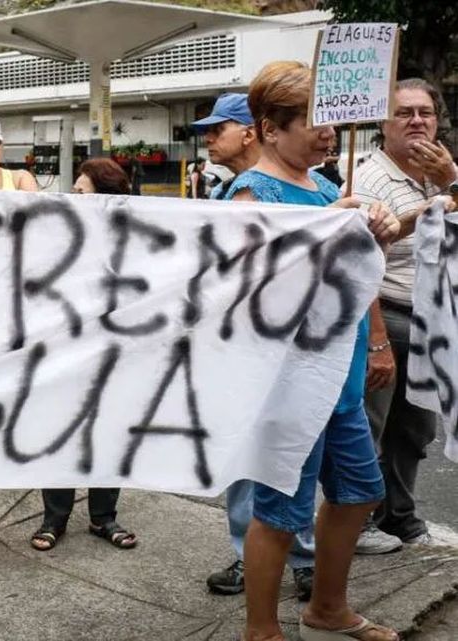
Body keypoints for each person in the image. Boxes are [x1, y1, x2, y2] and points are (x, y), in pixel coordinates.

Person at [228, 61, 400, 641]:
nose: (329, 131)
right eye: (314, 119)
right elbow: (251, 284)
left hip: (343, 376)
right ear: (270, 129)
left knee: (359, 493)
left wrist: (385, 227)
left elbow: (360, 275)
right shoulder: (250, 191)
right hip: (290, 381)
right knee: (280, 512)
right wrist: (329, 224)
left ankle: (327, 608)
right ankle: (262, 628)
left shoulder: (330, 187)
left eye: (333, 119)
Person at [191, 92, 316, 598]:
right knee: (245, 454)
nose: (208, 140)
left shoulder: (310, 186)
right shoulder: (225, 193)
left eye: (217, 129)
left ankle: (302, 555)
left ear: (252, 131)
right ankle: (253, 554)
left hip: (293, 349)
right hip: (244, 353)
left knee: (295, 454)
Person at [354, 78, 458, 554]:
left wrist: (450, 181)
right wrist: (375, 339)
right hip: (388, 312)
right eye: (404, 113)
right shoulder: (367, 177)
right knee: (371, 427)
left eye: (425, 113)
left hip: (433, 321)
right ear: (383, 122)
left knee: (417, 430)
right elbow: (360, 262)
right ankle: (358, 521)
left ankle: (399, 513)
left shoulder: (444, 170)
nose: (417, 121)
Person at [28, 158, 140, 552]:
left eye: (81, 191)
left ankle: (103, 517)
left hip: (112, 355)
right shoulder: (58, 238)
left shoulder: (131, 243)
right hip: (64, 353)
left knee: (109, 432)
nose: (71, 197)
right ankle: (53, 518)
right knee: (60, 431)